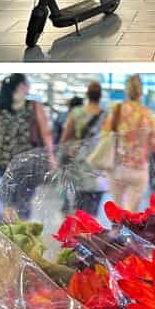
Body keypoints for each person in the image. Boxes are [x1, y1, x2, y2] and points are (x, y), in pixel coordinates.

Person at [0, 73, 56, 181]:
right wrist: (51, 156)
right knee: (26, 191)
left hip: (3, 159)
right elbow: (45, 133)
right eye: (27, 84)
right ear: (22, 86)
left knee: (8, 190)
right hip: (28, 159)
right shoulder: (34, 106)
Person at [103, 75, 155, 212]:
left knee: (116, 213)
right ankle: (128, 232)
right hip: (139, 169)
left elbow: (104, 136)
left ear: (126, 91)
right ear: (141, 92)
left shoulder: (116, 110)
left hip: (117, 167)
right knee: (131, 213)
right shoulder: (148, 114)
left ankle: (117, 230)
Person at [60, 82, 106, 216]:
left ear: (87, 95)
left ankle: (79, 230)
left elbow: (65, 137)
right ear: (100, 96)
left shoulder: (76, 112)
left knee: (79, 203)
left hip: (79, 162)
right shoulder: (107, 116)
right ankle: (89, 229)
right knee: (93, 206)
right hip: (98, 163)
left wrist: (63, 155)